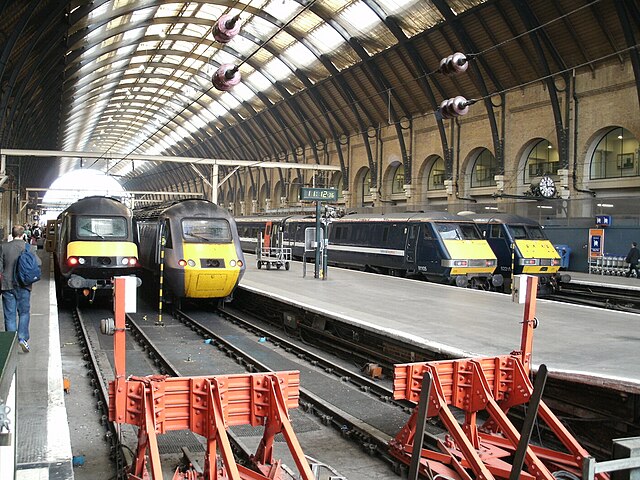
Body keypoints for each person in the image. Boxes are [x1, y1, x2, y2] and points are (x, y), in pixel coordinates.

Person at [0, 225, 41, 352]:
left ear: (12, 234)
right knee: (23, 313)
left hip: (7, 285)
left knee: (9, 314)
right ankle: (22, 338)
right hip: (24, 285)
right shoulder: (28, 247)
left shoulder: (4, 246)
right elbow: (38, 263)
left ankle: (11, 343)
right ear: (23, 235)